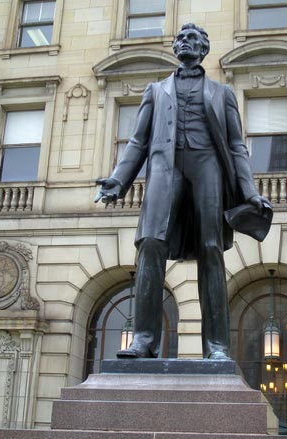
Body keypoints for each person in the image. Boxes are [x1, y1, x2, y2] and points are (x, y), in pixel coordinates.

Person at [95, 23, 268, 360]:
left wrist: (249, 192)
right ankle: (144, 340)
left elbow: (236, 147)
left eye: (192, 38)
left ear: (204, 48)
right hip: (165, 169)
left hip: (208, 167)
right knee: (150, 242)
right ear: (174, 48)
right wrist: (118, 180)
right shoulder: (156, 91)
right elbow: (137, 142)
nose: (184, 42)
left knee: (211, 248)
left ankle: (216, 346)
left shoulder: (222, 93)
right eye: (180, 38)